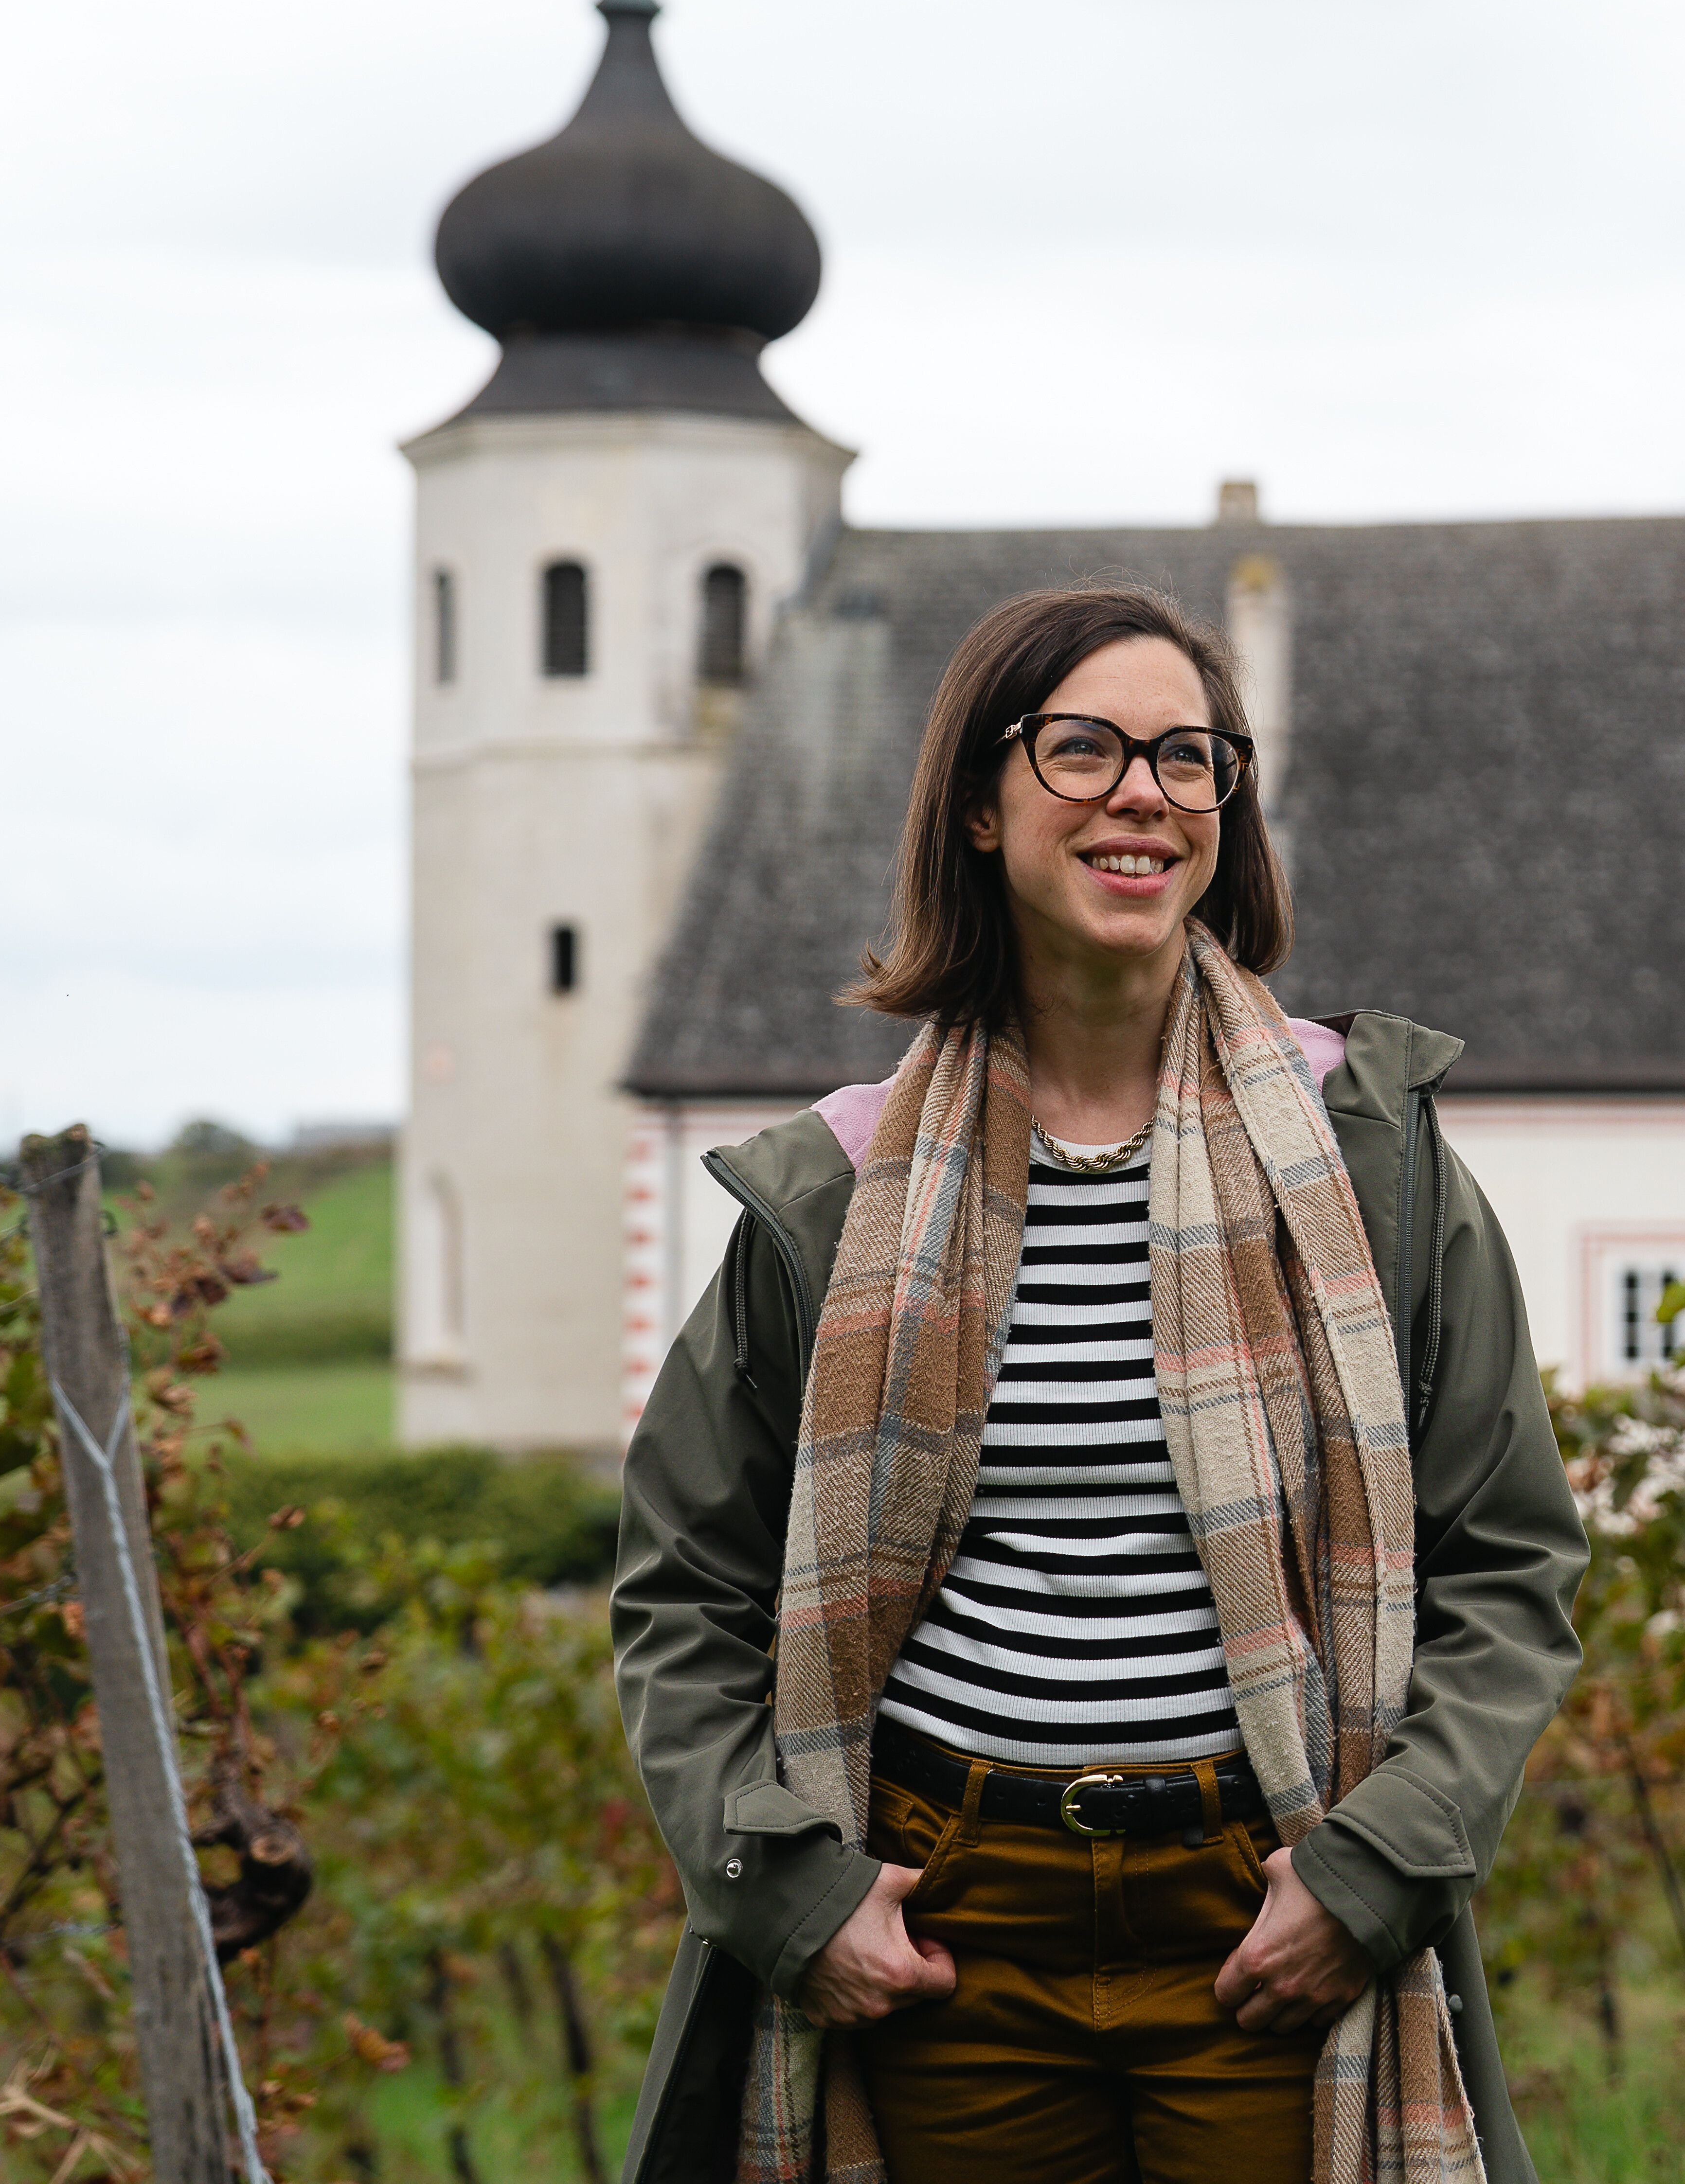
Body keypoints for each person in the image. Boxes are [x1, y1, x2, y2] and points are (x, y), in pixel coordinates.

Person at [611, 585, 1587, 2184]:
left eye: (1188, 758)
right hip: (944, 1925)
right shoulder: (838, 1191)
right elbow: (684, 1586)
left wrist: (1377, 1875)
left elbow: (1510, 1562)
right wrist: (790, 1896)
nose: (1144, 794)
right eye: (1083, 750)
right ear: (979, 806)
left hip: (1268, 1911)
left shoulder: (1367, 1159)